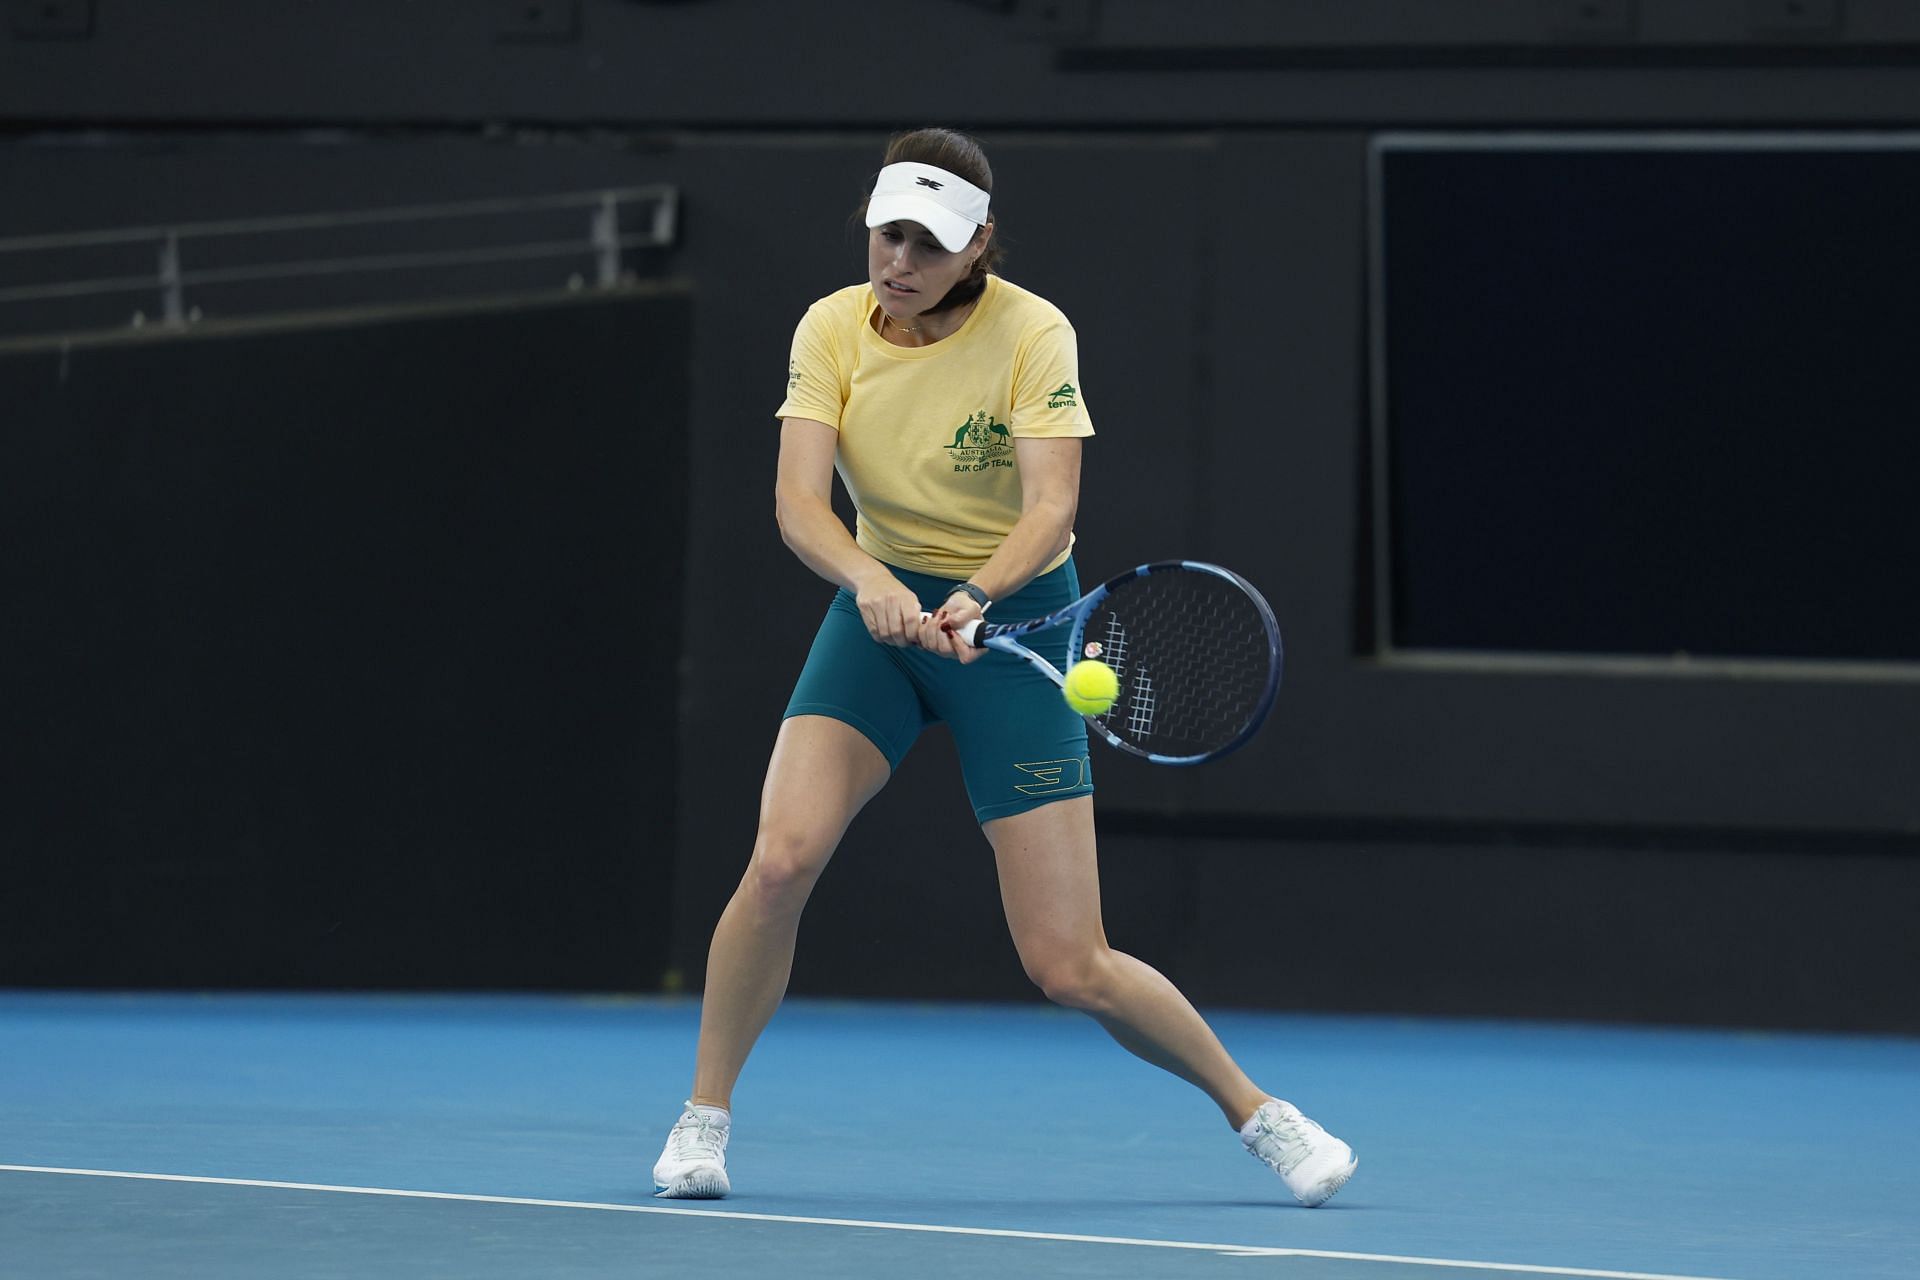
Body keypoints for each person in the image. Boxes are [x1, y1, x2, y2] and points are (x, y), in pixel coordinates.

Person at [652, 128, 1356, 1208]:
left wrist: (976, 597)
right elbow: (800, 505)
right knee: (782, 857)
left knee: (1068, 961)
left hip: (1012, 616)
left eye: (927, 245)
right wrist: (871, 580)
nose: (900, 262)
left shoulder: (1035, 331)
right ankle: (703, 1121)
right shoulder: (831, 327)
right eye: (888, 236)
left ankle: (1263, 1115)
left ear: (978, 245)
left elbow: (1052, 508)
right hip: (877, 614)